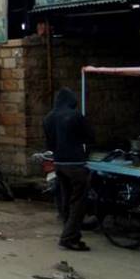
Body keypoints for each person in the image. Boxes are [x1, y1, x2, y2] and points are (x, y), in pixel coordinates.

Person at [44, 88, 94, 252]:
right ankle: (68, 238)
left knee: (66, 200)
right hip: (76, 163)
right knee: (78, 202)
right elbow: (90, 137)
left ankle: (71, 234)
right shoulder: (75, 115)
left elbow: (50, 144)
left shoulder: (48, 118)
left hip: (59, 164)